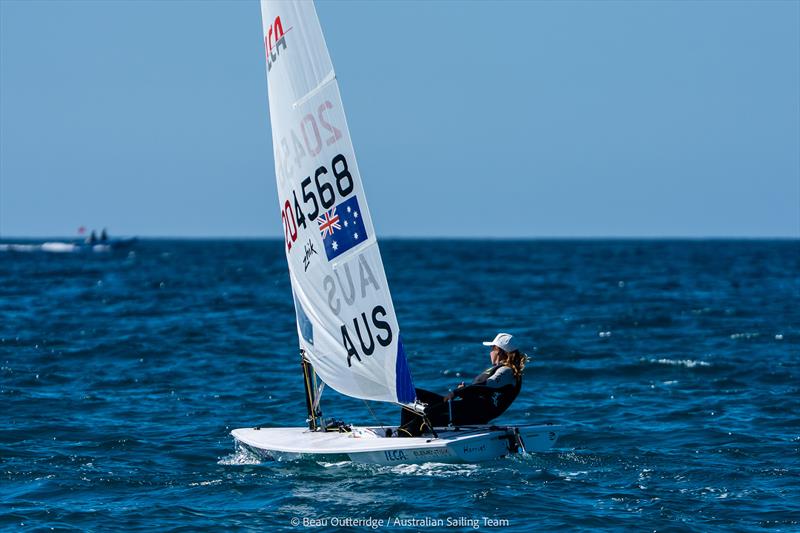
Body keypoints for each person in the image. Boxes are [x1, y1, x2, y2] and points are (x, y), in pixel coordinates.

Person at [397, 333, 528, 437]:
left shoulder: (506, 371)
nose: (490, 352)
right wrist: (465, 392)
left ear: (498, 351)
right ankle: (405, 431)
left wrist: (458, 392)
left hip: (472, 415)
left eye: (491, 349)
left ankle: (407, 435)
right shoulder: (501, 369)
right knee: (413, 395)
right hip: (465, 409)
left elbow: (486, 386)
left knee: (430, 413)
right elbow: (483, 392)